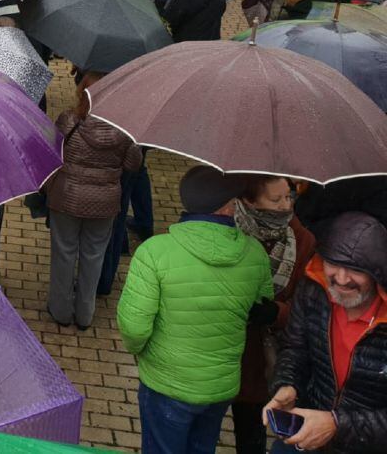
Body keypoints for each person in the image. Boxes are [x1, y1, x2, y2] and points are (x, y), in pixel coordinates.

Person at [118, 165, 274, 454]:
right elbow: (260, 306)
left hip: (166, 384)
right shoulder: (255, 254)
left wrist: (142, 352)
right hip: (220, 387)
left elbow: (134, 328)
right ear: (228, 208)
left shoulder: (154, 252)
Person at [263, 211, 387, 453]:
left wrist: (337, 425)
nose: (341, 279)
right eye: (333, 264)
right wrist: (288, 384)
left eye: (354, 269)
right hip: (308, 433)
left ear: (377, 271)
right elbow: (295, 348)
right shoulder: (313, 290)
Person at [47, 71, 142, 330]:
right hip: (105, 203)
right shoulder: (124, 130)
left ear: (82, 93)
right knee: (94, 255)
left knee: (64, 253)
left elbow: (51, 151)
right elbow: (134, 165)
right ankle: (85, 314)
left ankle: (60, 311)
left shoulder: (69, 120)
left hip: (66, 197)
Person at [231, 176, 316, 454]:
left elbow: (308, 308)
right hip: (223, 349)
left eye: (288, 197)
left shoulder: (302, 239)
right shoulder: (229, 231)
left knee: (251, 431)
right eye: (275, 199)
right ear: (249, 201)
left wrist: (276, 313)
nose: (285, 206)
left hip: (262, 358)